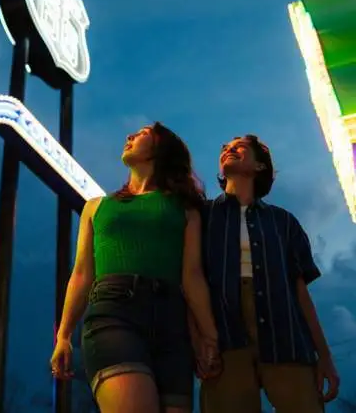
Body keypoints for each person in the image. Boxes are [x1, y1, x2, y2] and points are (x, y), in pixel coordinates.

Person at [50, 122, 220, 413]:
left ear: (161, 148)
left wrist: (209, 336)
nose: (129, 136)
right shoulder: (97, 207)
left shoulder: (185, 208)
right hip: (114, 314)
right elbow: (81, 273)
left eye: (141, 134)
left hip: (172, 322)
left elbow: (192, 276)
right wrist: (63, 335)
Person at [193, 134, 340, 413]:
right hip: (225, 341)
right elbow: (190, 279)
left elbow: (300, 294)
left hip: (286, 338)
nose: (228, 149)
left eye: (239, 147)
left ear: (260, 166)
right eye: (224, 147)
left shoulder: (283, 221)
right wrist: (198, 340)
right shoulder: (202, 215)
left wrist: (325, 356)